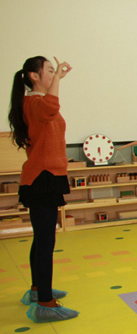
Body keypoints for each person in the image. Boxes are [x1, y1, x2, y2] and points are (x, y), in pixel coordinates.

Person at [8, 56, 79, 323]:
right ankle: (45, 304)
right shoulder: (36, 103)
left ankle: (38, 290)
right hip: (42, 178)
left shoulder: (34, 103)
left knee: (42, 239)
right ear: (34, 76)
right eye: (49, 70)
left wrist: (56, 77)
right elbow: (51, 107)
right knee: (46, 241)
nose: (54, 73)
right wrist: (58, 78)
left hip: (47, 176)